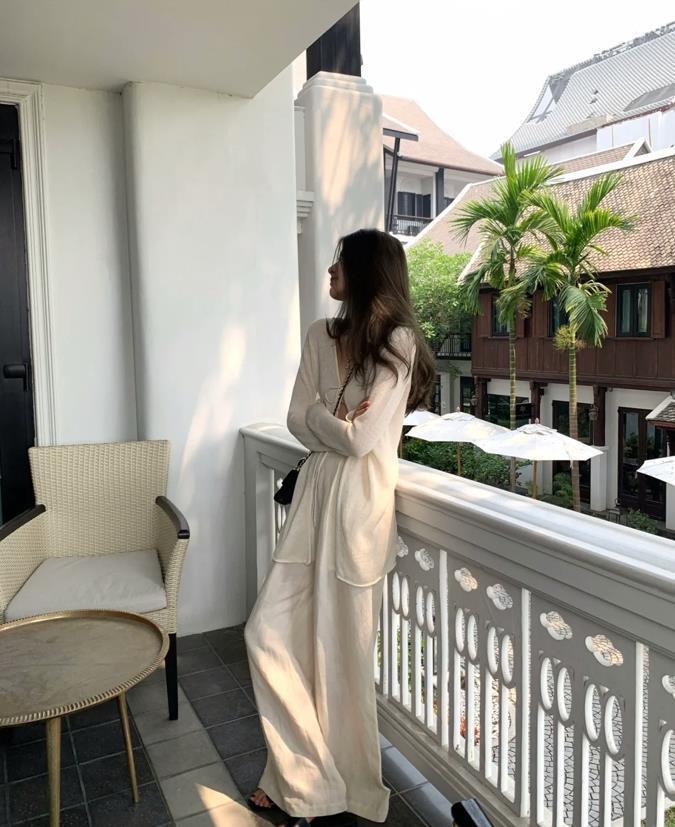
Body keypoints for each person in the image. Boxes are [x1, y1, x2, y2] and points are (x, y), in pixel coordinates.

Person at [244, 228, 436, 825]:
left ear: (367, 271)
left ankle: (339, 791)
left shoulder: (398, 343)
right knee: (267, 634)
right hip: (314, 503)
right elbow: (295, 418)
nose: (331, 272)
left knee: (343, 659)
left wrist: (324, 420)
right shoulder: (318, 335)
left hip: (358, 511)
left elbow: (359, 440)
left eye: (340, 263)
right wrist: (337, 421)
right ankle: (313, 783)